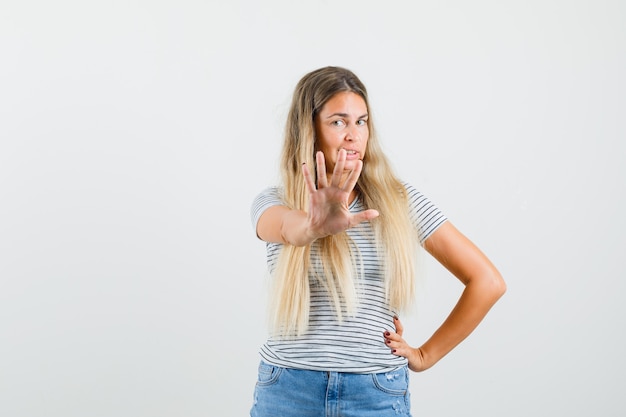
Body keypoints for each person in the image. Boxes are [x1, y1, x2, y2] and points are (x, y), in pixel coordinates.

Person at [249, 66, 506, 417]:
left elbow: (487, 282)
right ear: (309, 129)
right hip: (289, 390)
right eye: (338, 122)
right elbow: (287, 228)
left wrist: (424, 355)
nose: (353, 134)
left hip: (375, 392)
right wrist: (315, 226)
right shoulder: (274, 201)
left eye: (361, 121)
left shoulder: (400, 202)